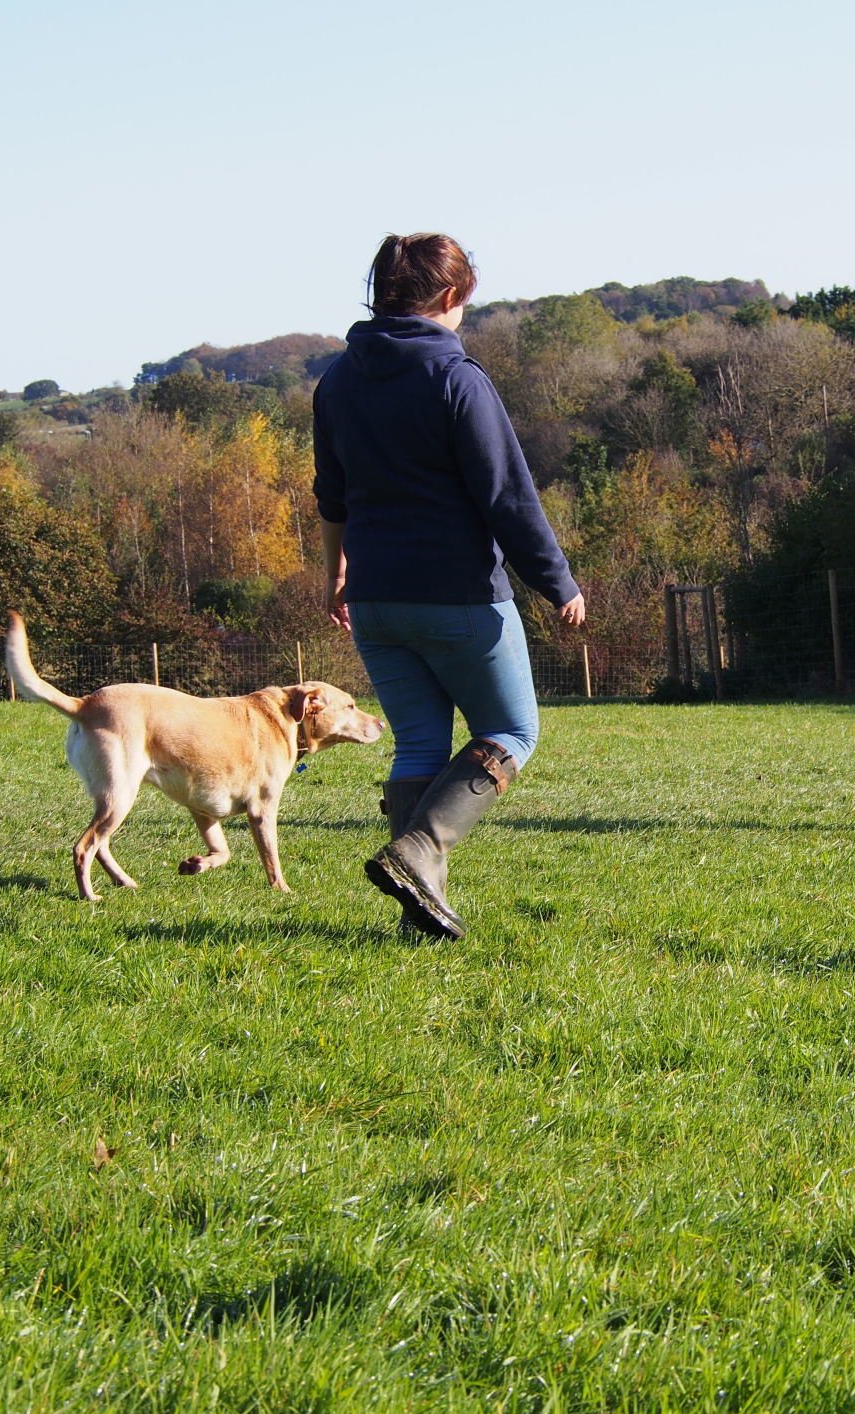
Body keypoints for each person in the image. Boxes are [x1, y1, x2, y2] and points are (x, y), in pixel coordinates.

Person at [313, 233, 585, 939]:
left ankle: (417, 915)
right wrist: (557, 582)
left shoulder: (338, 380)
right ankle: (420, 848)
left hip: (375, 597)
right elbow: (508, 496)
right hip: (459, 595)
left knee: (421, 748)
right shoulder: (458, 379)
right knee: (511, 731)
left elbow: (332, 494)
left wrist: (336, 569)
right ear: (451, 296)